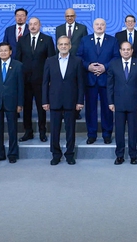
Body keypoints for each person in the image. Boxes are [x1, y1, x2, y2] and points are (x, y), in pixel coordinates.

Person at [43, 36, 86, 165]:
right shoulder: (49, 61)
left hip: (71, 101)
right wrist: (45, 101)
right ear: (57, 46)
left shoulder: (77, 61)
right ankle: (56, 154)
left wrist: (80, 101)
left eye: (66, 44)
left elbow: (81, 83)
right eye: (61, 44)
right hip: (54, 100)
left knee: (70, 130)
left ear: (70, 46)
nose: (63, 46)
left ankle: (69, 154)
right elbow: (45, 83)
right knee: (54, 130)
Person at [77, 18, 119, 144]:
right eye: (97, 24)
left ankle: (107, 134)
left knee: (108, 108)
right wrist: (88, 66)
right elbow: (79, 57)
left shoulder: (112, 40)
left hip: (106, 80)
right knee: (90, 109)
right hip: (90, 80)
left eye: (102, 24)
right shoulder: (85, 40)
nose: (99, 26)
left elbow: (116, 57)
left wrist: (105, 67)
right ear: (93, 26)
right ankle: (91, 134)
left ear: (105, 26)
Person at [16, 17, 56, 143]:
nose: (33, 26)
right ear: (28, 27)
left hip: (41, 80)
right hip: (25, 80)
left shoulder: (47, 39)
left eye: (35, 24)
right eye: (31, 24)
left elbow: (52, 60)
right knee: (27, 107)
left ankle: (42, 131)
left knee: (41, 107)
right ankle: (28, 131)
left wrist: (50, 78)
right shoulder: (22, 40)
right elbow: (18, 60)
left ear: (40, 25)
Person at [107, 41, 137, 165]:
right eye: (123, 49)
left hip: (134, 103)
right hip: (118, 103)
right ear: (120, 51)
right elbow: (110, 85)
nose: (126, 51)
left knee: (133, 131)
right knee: (119, 131)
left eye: (128, 49)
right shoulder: (113, 64)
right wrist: (110, 102)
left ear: (132, 51)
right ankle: (119, 155)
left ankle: (133, 155)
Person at [0, 42, 24, 163]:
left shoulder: (18, 65)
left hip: (12, 102)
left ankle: (12, 154)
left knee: (12, 129)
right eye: (1, 51)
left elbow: (21, 86)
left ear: (10, 52)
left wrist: (20, 103)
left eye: (5, 50)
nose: (3, 53)